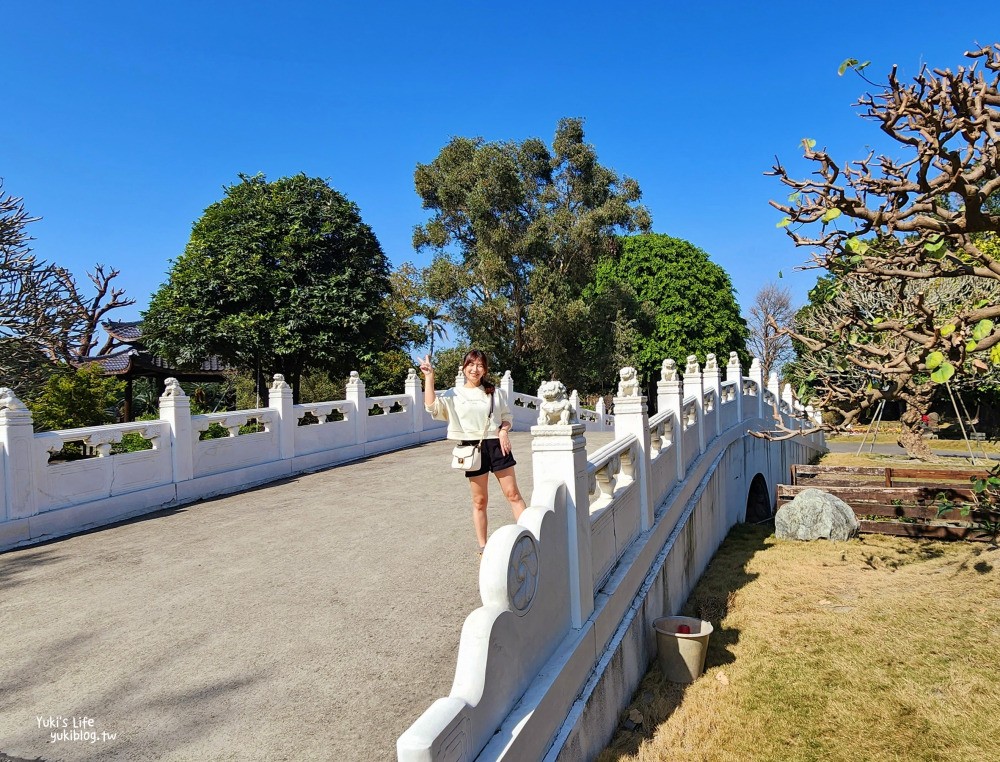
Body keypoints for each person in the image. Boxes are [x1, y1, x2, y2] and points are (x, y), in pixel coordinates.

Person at [420, 349, 527, 555]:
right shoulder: (454, 394)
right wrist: (429, 377)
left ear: (485, 369)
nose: (475, 369)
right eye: (471, 364)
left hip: (497, 445)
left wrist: (504, 430)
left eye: (479, 365)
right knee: (480, 501)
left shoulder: (495, 392)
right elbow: (432, 407)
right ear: (464, 367)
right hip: (472, 448)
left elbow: (507, 417)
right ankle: (483, 547)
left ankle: (531, 536)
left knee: (513, 494)